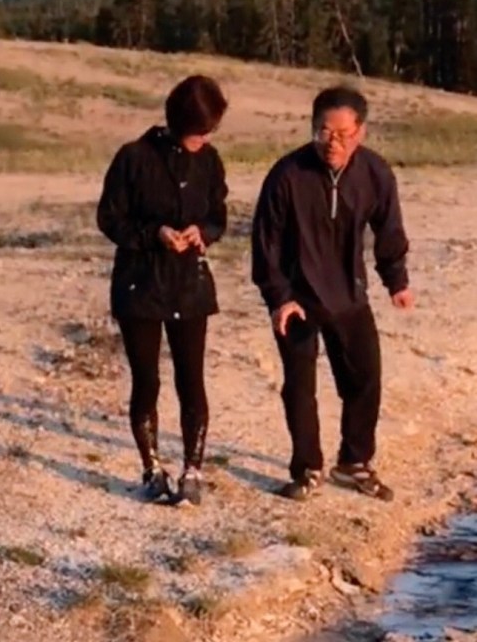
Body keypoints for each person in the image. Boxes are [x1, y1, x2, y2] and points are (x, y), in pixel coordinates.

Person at [251, 84, 415, 502]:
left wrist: (396, 280)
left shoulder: (376, 173)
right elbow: (265, 244)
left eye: (342, 133)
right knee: (299, 386)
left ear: (360, 131)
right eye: (323, 132)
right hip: (297, 297)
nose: (332, 142)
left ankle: (354, 462)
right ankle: (307, 468)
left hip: (349, 294)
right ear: (313, 129)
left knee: (366, 377)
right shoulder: (286, 175)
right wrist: (278, 296)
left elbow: (389, 230)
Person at [97, 74, 230, 507]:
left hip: (190, 285)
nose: (204, 140)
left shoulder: (210, 161)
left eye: (210, 131)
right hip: (140, 284)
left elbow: (218, 215)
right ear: (177, 123)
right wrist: (154, 233)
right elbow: (110, 219)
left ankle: (193, 470)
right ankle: (152, 468)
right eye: (199, 132)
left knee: (192, 380)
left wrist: (201, 232)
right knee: (147, 380)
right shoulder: (133, 158)